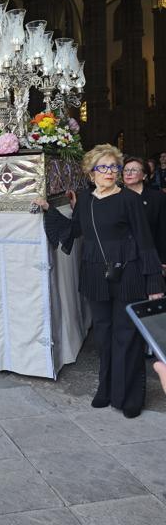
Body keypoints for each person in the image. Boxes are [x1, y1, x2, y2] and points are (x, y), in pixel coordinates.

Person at [34, 143, 165, 418]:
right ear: (91, 172)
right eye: (103, 167)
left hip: (129, 274)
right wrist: (49, 209)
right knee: (104, 336)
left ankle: (128, 397)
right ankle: (105, 389)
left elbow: (145, 241)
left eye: (114, 167)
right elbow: (74, 231)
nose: (110, 172)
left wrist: (154, 282)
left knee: (126, 337)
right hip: (96, 275)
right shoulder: (86, 200)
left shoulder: (128, 199)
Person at [122, 156, 166, 269]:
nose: (128, 173)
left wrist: (163, 260)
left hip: (150, 256)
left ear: (145, 175)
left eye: (134, 170)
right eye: (126, 170)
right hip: (123, 258)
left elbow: (163, 230)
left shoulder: (157, 198)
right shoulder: (116, 197)